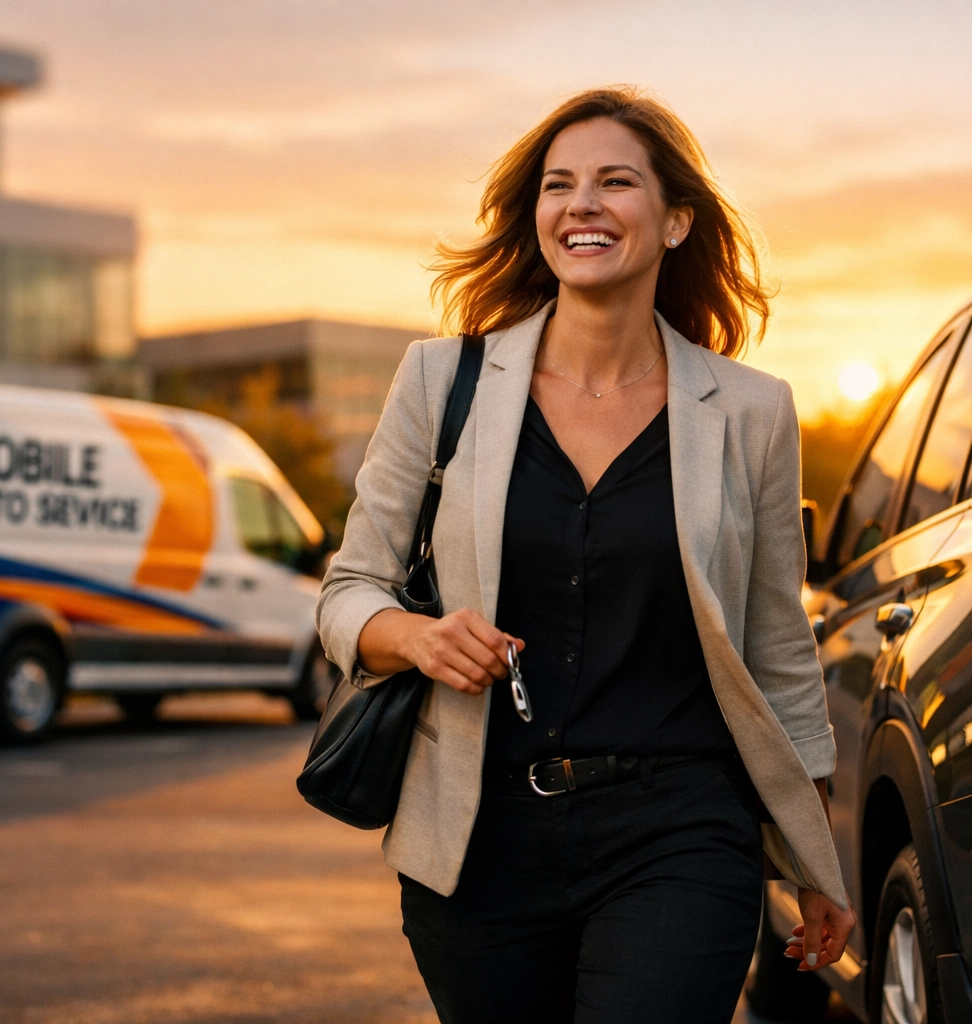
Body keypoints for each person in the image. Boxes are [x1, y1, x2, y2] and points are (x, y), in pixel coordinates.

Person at [316, 86, 854, 1023]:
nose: (583, 204)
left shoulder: (752, 413)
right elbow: (346, 593)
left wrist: (815, 856)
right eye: (559, 185)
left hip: (680, 830)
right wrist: (416, 638)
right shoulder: (440, 382)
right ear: (538, 219)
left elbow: (778, 648)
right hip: (479, 841)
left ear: (677, 219)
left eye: (616, 182)